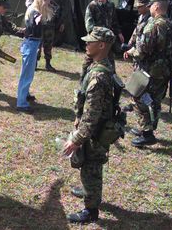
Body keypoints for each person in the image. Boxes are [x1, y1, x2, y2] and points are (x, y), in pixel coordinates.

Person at [63, 27, 116, 224]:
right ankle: (88, 190)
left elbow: (92, 116)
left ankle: (90, 211)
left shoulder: (98, 77)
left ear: (101, 45)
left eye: (90, 42)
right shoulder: (101, 65)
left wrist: (76, 140)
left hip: (96, 131)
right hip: (97, 128)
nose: (86, 44)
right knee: (88, 167)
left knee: (91, 167)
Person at [124, 0, 172, 147]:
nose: (150, 9)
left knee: (139, 97)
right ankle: (146, 129)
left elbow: (142, 51)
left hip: (150, 71)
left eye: (151, 6)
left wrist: (131, 51)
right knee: (155, 100)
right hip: (165, 70)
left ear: (156, 6)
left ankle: (147, 133)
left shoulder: (153, 25)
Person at [17, 0, 53, 113]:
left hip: (31, 43)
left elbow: (29, 6)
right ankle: (21, 103)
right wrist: (37, 19)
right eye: (47, 0)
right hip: (30, 44)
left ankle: (25, 94)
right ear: (42, 0)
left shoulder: (32, 7)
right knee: (26, 75)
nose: (49, 2)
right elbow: (35, 18)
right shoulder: (35, 12)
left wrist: (28, 4)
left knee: (28, 72)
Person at [81, 0, 124, 80]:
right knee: (89, 59)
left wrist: (119, 33)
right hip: (95, 39)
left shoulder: (111, 5)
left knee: (110, 59)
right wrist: (95, 38)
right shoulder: (92, 5)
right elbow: (89, 24)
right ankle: (83, 79)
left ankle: (112, 80)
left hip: (107, 39)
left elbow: (114, 21)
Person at [27, 0, 64, 71]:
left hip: (50, 24)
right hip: (38, 23)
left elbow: (61, 9)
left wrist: (61, 22)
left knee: (48, 44)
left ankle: (48, 63)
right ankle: (34, 63)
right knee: (37, 43)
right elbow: (31, 4)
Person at [121, 0, 151, 113]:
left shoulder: (150, 20)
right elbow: (135, 32)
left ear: (147, 6)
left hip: (142, 55)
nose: (138, 9)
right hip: (136, 53)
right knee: (136, 77)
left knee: (141, 80)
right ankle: (133, 102)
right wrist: (128, 46)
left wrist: (132, 50)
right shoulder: (141, 17)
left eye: (140, 7)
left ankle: (139, 104)